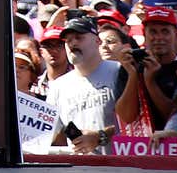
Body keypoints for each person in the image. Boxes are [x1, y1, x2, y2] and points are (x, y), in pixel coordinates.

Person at [45, 17, 122, 154]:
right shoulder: (58, 87)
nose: (72, 43)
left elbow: (137, 125)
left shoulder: (119, 71)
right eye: (68, 40)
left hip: (120, 166)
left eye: (79, 37)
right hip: (80, 167)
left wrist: (99, 136)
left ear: (97, 41)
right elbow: (47, 136)